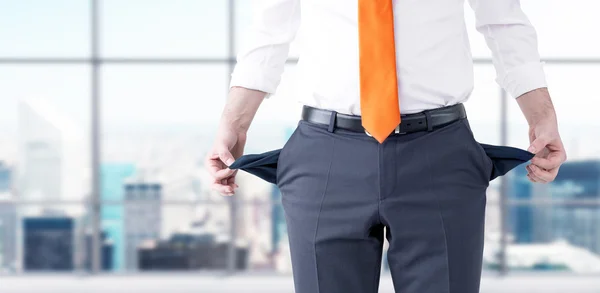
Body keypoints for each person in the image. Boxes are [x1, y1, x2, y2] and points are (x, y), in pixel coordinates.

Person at [206, 0, 567, 292]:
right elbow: (270, 28)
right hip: (324, 155)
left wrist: (541, 116)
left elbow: (502, 19)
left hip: (439, 152)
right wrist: (234, 122)